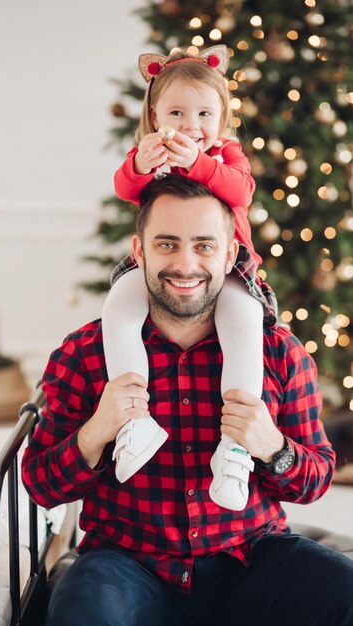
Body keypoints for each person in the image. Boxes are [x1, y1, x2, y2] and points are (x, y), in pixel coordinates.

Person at [22, 176, 353, 626]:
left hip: (250, 558)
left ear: (231, 254)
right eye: (166, 244)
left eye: (203, 246)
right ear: (139, 252)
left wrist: (274, 448)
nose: (185, 264)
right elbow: (41, 485)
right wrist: (95, 432)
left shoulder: (278, 352)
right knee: (82, 618)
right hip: (126, 563)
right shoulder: (85, 353)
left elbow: (316, 479)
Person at [103, 45, 276, 511]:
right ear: (155, 114)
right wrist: (142, 162)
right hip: (159, 263)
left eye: (204, 113)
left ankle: (235, 449)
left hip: (227, 268)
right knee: (117, 308)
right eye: (176, 111)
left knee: (244, 328)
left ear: (221, 119)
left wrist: (198, 162)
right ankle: (135, 420)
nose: (190, 124)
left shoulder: (224, 153)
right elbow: (124, 187)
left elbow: (240, 189)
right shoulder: (149, 153)